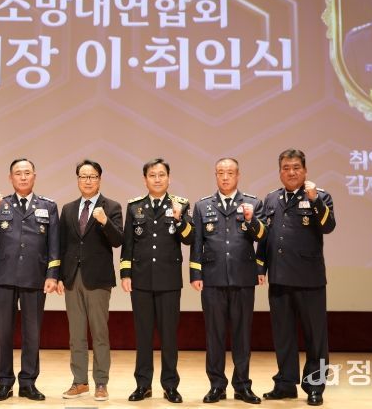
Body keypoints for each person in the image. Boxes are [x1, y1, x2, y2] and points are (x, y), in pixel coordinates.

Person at [257, 149, 336, 407]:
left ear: (305, 170)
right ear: (280, 171)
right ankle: (285, 384)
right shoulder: (271, 199)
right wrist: (260, 267)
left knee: (316, 337)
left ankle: (315, 386)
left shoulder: (320, 196)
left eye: (296, 168)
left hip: (309, 279)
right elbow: (264, 237)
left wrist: (315, 201)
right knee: (283, 335)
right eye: (286, 168)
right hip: (279, 277)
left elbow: (329, 226)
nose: (291, 172)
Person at [0, 158, 61, 402]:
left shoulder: (48, 206)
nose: (23, 177)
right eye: (18, 173)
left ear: (34, 176)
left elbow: (54, 245)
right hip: (5, 277)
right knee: (3, 333)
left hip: (35, 276)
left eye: (27, 173)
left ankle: (28, 382)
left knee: (32, 334)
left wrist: (52, 275)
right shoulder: (2, 204)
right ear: (10, 178)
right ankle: (4, 382)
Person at [189, 158, 266, 405]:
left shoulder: (253, 203)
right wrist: (195, 274)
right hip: (212, 279)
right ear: (215, 175)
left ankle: (242, 385)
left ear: (238, 175)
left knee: (242, 335)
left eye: (230, 173)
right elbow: (197, 243)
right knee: (214, 335)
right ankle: (217, 385)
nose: (225, 177)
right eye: (220, 173)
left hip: (243, 278)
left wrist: (251, 219)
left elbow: (262, 236)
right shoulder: (202, 206)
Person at [120, 158, 194, 404]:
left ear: (169, 178)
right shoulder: (135, 207)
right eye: (152, 175)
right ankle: (143, 385)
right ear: (145, 180)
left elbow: (190, 238)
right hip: (141, 280)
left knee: (169, 336)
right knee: (143, 336)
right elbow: (128, 243)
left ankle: (170, 385)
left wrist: (179, 219)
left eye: (162, 175)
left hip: (169, 281)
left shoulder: (180, 204)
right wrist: (126, 274)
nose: (157, 179)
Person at [57, 160, 123, 402]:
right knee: (76, 335)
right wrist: (60, 276)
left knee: (99, 333)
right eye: (83, 176)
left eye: (92, 176)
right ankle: (79, 382)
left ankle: (101, 383)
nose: (88, 180)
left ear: (100, 179)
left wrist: (105, 221)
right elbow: (62, 245)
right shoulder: (68, 209)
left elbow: (118, 240)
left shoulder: (112, 207)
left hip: (98, 280)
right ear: (77, 180)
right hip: (72, 278)